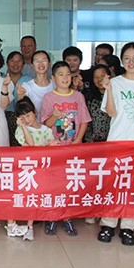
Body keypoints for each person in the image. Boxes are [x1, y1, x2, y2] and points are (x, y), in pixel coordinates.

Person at [98, 42, 134, 246]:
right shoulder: (114, 82)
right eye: (127, 58)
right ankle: (108, 224)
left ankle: (128, 226)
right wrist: (108, 90)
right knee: (114, 183)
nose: (131, 62)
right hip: (118, 140)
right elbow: (111, 112)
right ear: (122, 61)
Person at [41, 61, 91, 236]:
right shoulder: (48, 98)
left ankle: (68, 217)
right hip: (54, 149)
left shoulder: (78, 97)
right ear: (53, 78)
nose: (65, 78)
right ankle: (52, 217)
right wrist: (55, 116)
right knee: (53, 184)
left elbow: (84, 120)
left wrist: (78, 140)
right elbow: (45, 124)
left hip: (73, 148)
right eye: (60, 74)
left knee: (70, 184)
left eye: (68, 74)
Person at [14, 97, 58, 241]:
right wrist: (23, 127)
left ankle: (34, 225)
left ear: (35, 112)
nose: (26, 120)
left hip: (44, 170)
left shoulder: (46, 130)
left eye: (28, 115)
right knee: (29, 197)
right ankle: (26, 226)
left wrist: (52, 145)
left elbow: (51, 147)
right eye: (22, 118)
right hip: (28, 170)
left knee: (39, 196)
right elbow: (31, 144)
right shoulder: (20, 130)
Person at [4, 51, 32, 146]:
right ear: (7, 63)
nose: (15, 64)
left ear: (23, 64)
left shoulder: (29, 80)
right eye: (12, 60)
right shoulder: (1, 79)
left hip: (24, 118)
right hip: (4, 118)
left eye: (19, 61)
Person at [18, 50, 55, 119]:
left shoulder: (55, 85)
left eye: (44, 60)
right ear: (32, 65)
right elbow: (21, 111)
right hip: (34, 125)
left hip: (53, 124)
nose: (41, 64)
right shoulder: (26, 86)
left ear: (49, 63)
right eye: (37, 61)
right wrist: (20, 96)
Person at [82, 64, 111, 143]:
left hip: (112, 140)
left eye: (102, 76)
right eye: (96, 77)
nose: (99, 79)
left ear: (109, 76)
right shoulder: (88, 96)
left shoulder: (115, 95)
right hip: (92, 142)